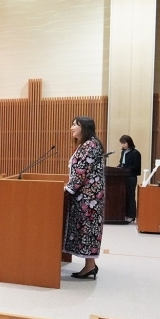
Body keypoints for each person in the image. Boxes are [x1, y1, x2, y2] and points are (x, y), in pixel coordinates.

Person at [65, 116, 105, 279]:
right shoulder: (86, 144)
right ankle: (90, 265)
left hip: (89, 199)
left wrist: (67, 190)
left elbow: (81, 172)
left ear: (85, 127)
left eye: (75, 124)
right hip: (85, 197)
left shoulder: (90, 145)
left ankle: (90, 266)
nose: (71, 127)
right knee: (86, 231)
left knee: (88, 231)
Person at [118, 134, 141, 223]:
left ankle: (132, 216)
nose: (123, 145)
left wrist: (125, 169)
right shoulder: (123, 152)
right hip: (123, 176)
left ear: (129, 142)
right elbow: (121, 163)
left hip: (131, 177)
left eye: (124, 143)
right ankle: (124, 214)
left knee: (131, 196)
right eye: (122, 143)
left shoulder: (135, 153)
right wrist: (118, 167)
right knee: (124, 196)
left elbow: (136, 166)